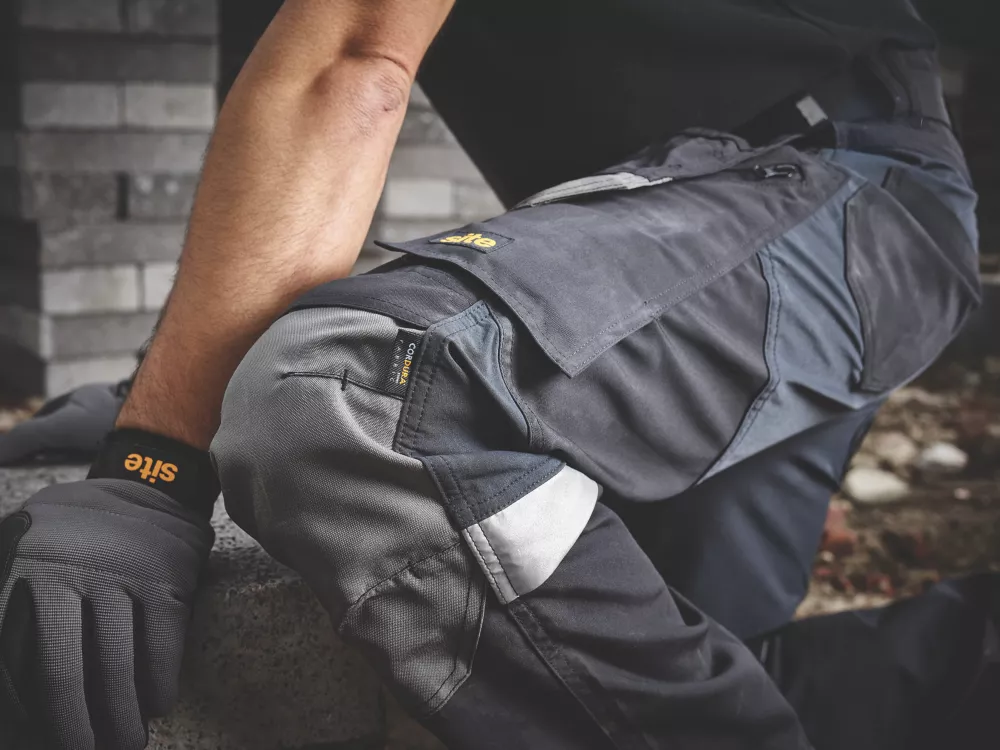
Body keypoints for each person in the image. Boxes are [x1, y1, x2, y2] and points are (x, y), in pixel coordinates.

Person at [0, 1, 987, 748]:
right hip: (698, 221)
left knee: (366, 392)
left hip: (839, 184)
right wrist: (174, 387)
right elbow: (288, 138)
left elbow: (349, 66)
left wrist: (156, 463)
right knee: (669, 655)